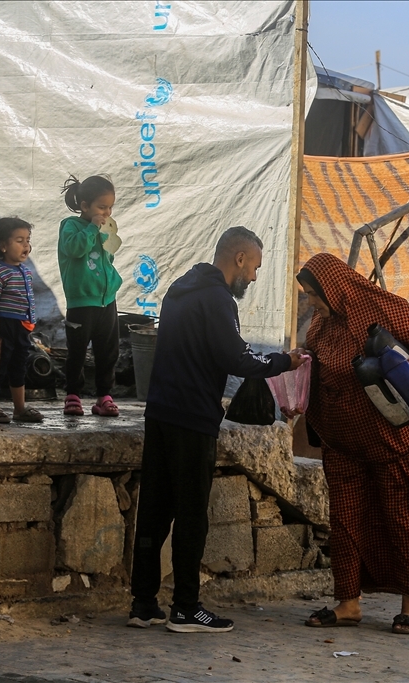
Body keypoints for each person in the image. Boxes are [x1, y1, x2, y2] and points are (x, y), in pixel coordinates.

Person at [129, 226, 308, 633]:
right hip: (192, 418)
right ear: (239, 258)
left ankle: (142, 603)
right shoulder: (217, 298)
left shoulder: (180, 288)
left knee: (155, 510)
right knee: (192, 514)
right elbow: (237, 359)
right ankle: (186, 608)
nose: (255, 277)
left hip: (160, 412)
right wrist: (285, 361)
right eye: (255, 267)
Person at [293, 253, 409, 635]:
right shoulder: (322, 321)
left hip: (394, 438)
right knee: (346, 520)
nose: (311, 302)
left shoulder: (383, 309)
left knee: (404, 516)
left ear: (333, 288)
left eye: (315, 294)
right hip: (345, 441)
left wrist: (406, 381)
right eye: (308, 295)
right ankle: (349, 603)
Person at [58, 174, 123, 417]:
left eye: (110, 207)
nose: (107, 212)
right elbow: (75, 249)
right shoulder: (70, 226)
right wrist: (92, 227)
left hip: (106, 300)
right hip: (81, 301)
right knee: (77, 350)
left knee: (108, 350)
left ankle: (104, 396)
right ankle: (73, 395)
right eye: (101, 207)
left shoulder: (103, 227)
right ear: (84, 206)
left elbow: (107, 257)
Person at [0, 217, 44, 424]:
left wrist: (29, 322)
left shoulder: (25, 271)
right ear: (3, 246)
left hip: (21, 328)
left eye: (28, 240)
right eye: (19, 240)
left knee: (19, 367)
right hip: (2, 327)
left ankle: (19, 408)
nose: (26, 245)